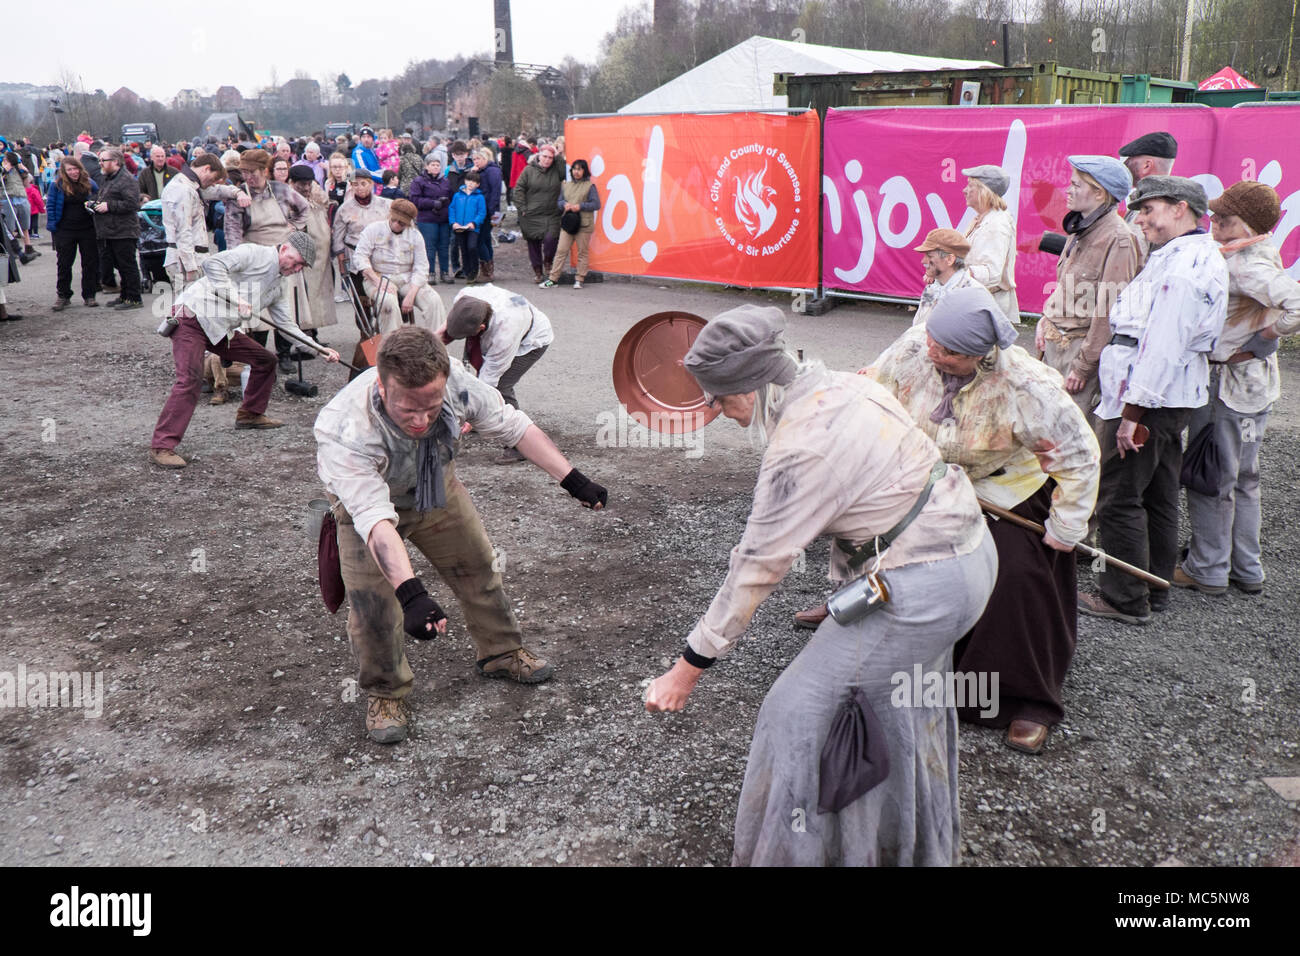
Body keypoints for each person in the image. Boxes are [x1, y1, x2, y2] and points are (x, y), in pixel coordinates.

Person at [644, 305, 997, 866]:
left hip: (924, 583)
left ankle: (800, 856)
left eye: (720, 399)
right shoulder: (841, 385)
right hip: (967, 554)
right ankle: (908, 848)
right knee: (898, 706)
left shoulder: (800, 447)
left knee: (799, 713)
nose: (721, 413)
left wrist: (686, 670)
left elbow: (757, 565)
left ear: (751, 386)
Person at [314, 325, 608, 744]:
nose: (420, 420)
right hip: (369, 511)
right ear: (383, 383)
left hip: (435, 484)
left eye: (431, 408)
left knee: (478, 567)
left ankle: (501, 652)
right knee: (374, 608)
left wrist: (573, 479)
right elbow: (374, 518)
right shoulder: (345, 429)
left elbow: (513, 426)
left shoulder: (456, 381)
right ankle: (386, 692)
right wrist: (412, 593)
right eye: (407, 409)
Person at [857, 285, 1100, 754]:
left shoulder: (1028, 387)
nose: (935, 354)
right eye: (933, 343)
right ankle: (862, 630)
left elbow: (1080, 456)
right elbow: (873, 392)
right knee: (882, 545)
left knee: (1015, 573)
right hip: (926, 475)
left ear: (981, 354)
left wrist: (1067, 525)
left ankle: (1022, 697)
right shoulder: (914, 347)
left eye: (948, 353)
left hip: (1004, 485)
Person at [1079, 176, 1228, 625]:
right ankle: (1154, 587)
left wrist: (1132, 413)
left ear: (1180, 209)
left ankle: (1124, 597)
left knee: (1120, 497)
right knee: (1159, 493)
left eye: (1149, 210)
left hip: (1151, 395)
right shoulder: (1189, 256)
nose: (1141, 220)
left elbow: (1161, 344)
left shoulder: (1183, 268)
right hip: (1168, 393)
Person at [1177, 182, 1300, 596]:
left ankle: (1208, 567)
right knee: (1244, 477)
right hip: (1255, 386)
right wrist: (1263, 341)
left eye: (1224, 219)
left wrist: (1261, 338)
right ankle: (1246, 567)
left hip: (1227, 384)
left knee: (1211, 474)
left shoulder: (1247, 264)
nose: (1214, 224)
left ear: (1248, 223)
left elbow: (1296, 304)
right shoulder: (1260, 253)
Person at [149, 233, 340, 469]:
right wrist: (236, 298)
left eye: (302, 266)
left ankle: (250, 414)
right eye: (298, 262)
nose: (297, 269)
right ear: (285, 249)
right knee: (190, 380)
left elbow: (287, 326)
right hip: (192, 316)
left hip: (221, 328)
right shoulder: (254, 253)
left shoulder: (279, 285)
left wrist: (318, 349)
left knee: (265, 361)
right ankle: (162, 445)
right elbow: (212, 263)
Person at [1035, 156, 1141, 418]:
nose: (1068, 190)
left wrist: (1083, 366)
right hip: (1054, 344)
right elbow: (1065, 286)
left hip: (1077, 350)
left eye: (1076, 185)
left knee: (1069, 433)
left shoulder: (1118, 239)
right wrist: (1044, 320)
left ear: (1098, 193)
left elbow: (1108, 310)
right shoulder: (1079, 228)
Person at [438, 284, 554, 464]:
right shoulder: (465, 297)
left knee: (502, 386)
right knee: (477, 376)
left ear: (481, 327)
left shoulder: (505, 333)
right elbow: (447, 327)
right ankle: (478, 415)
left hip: (531, 340)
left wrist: (470, 412)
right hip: (504, 321)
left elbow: (488, 380)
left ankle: (520, 445)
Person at [225, 148, 313, 372]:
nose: (248, 177)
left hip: (285, 257)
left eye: (252, 172)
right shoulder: (238, 197)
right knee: (259, 313)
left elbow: (305, 209)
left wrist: (294, 228)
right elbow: (233, 234)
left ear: (265, 170)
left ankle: (284, 354)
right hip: (255, 256)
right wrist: (237, 262)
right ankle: (261, 361)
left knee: (287, 309)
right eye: (244, 172)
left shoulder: (282, 190)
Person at [159, 153, 247, 297]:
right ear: (206, 169)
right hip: (186, 262)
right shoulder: (182, 189)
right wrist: (190, 267)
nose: (213, 183)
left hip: (192, 258)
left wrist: (237, 192)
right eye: (213, 179)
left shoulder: (190, 185)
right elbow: (182, 231)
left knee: (197, 309)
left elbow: (216, 191)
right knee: (188, 310)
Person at [352, 198, 445, 333]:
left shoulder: (415, 235)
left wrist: (411, 294)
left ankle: (438, 344)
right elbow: (360, 257)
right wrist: (376, 280)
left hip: (407, 278)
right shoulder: (373, 229)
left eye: (401, 223)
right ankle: (394, 346)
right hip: (378, 277)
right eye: (394, 220)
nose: (396, 224)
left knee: (433, 301)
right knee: (388, 303)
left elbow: (422, 266)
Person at [959, 164, 1018, 323]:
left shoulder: (996, 224)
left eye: (970, 185)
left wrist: (953, 274)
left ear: (983, 191)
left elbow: (991, 273)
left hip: (987, 308)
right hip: (979, 304)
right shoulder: (983, 218)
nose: (965, 190)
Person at [287, 164, 337, 345]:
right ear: (292, 183)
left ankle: (312, 336)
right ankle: (301, 341)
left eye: (309, 184)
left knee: (314, 297)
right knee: (300, 299)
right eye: (302, 185)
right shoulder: (287, 202)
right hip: (298, 260)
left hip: (319, 261)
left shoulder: (315, 199)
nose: (306, 188)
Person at [46, 156, 101, 310]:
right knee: (64, 263)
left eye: (75, 168)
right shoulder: (57, 185)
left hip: (87, 228)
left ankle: (89, 295)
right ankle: (63, 295)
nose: (73, 172)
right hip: (65, 229)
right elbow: (50, 206)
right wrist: (52, 226)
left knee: (90, 263)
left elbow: (98, 197)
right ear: (64, 171)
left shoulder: (89, 183)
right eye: (69, 169)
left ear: (80, 168)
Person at [91, 148, 143, 309]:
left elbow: (133, 204)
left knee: (127, 265)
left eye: (103, 160)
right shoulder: (109, 178)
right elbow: (107, 197)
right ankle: (125, 295)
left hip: (124, 231)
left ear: (115, 162)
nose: (100, 163)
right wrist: (94, 203)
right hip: (110, 231)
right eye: (100, 160)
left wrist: (109, 206)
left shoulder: (126, 179)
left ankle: (134, 298)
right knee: (119, 265)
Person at [541, 158, 600, 289]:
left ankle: (579, 279)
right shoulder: (566, 185)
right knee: (561, 250)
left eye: (579, 169)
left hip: (584, 224)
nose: (576, 172)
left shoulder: (590, 186)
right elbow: (559, 201)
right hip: (568, 223)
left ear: (584, 171)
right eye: (574, 169)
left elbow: (596, 204)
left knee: (582, 252)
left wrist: (581, 206)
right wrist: (564, 205)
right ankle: (553, 279)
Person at [332, 171, 392, 298]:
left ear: (371, 185)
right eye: (355, 184)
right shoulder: (344, 209)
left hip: (382, 257)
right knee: (361, 299)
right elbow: (338, 239)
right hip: (356, 258)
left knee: (385, 297)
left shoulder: (386, 205)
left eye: (363, 183)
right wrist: (342, 264)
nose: (359, 188)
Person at [909, 228, 979, 327]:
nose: (923, 261)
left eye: (929, 256)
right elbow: (917, 329)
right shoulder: (931, 290)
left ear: (949, 259)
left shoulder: (972, 294)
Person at [515, 144, 564, 283]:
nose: (547, 160)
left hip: (552, 213)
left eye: (550, 157)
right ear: (538, 156)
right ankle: (537, 271)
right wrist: (522, 208)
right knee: (533, 243)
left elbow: (566, 171)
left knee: (551, 240)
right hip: (531, 213)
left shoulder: (556, 170)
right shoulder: (528, 170)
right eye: (545, 156)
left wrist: (557, 154)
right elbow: (518, 189)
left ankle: (548, 262)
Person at [410, 154, 452, 284]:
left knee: (444, 246)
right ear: (426, 166)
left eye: (438, 165)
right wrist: (433, 203)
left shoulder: (445, 181)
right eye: (433, 165)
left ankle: (445, 272)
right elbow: (415, 199)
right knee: (429, 247)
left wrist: (445, 201)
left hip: (444, 218)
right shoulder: (418, 181)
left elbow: (451, 197)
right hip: (427, 219)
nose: (435, 167)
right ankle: (430, 272)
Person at [471, 147, 503, 281]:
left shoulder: (492, 171)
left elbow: (495, 193)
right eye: (474, 159)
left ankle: (487, 270)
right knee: (485, 240)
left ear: (485, 159)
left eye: (478, 159)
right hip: (481, 210)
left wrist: (491, 212)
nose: (475, 162)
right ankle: (488, 270)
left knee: (479, 240)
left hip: (487, 211)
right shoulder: (482, 171)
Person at [448, 169, 486, 283]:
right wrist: (453, 222)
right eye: (469, 180)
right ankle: (467, 271)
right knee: (463, 249)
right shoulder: (457, 195)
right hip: (459, 227)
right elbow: (452, 209)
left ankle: (474, 269)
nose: (470, 183)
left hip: (473, 228)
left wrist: (474, 223)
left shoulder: (479, 197)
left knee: (472, 247)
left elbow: (481, 212)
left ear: (478, 184)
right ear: (465, 181)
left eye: (474, 182)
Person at [2, 152, 37, 260]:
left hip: (21, 197)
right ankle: (13, 249)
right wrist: (4, 171)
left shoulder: (18, 169)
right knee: (10, 226)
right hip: (8, 198)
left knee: (25, 224)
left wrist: (23, 169)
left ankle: (28, 246)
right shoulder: (3, 170)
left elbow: (28, 182)